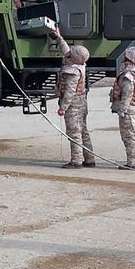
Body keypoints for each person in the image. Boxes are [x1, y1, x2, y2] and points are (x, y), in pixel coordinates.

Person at [52, 26, 96, 168]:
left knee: (74, 132)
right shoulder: (79, 64)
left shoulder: (72, 72)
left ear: (74, 57)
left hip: (73, 105)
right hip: (82, 102)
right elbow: (67, 51)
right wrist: (59, 37)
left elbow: (69, 92)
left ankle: (76, 161)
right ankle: (89, 159)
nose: (69, 52)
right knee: (83, 131)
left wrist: (63, 108)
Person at [110, 46, 135, 169]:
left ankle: (133, 163)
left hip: (129, 110)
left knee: (130, 137)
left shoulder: (128, 74)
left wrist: (122, 109)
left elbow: (127, 93)